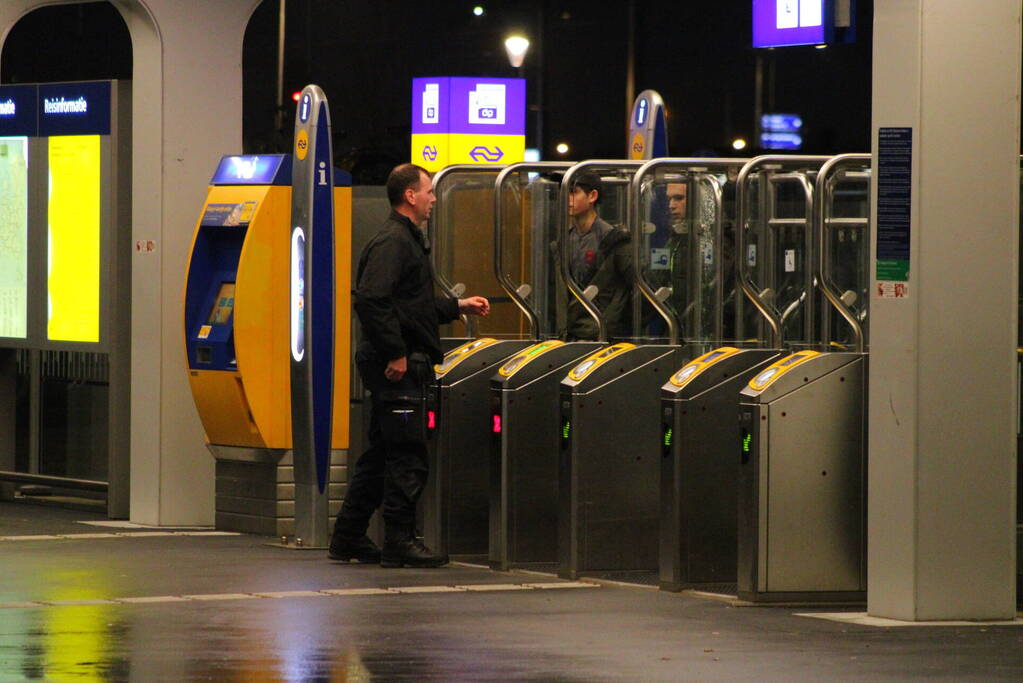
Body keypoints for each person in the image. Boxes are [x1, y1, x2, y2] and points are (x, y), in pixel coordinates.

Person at [329, 163, 489, 568]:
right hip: (396, 365)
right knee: (407, 454)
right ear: (410, 196)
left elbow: (408, 305)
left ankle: (347, 536)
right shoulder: (394, 242)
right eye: (429, 191)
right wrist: (397, 352)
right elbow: (371, 300)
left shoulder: (404, 240)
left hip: (394, 358)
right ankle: (400, 539)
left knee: (383, 452)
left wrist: (457, 305)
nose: (434, 198)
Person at [561, 172, 633, 340]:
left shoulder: (615, 240)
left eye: (573, 192)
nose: (567, 198)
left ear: (592, 196)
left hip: (603, 335)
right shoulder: (562, 242)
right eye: (564, 192)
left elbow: (639, 287)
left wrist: (615, 322)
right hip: (570, 334)